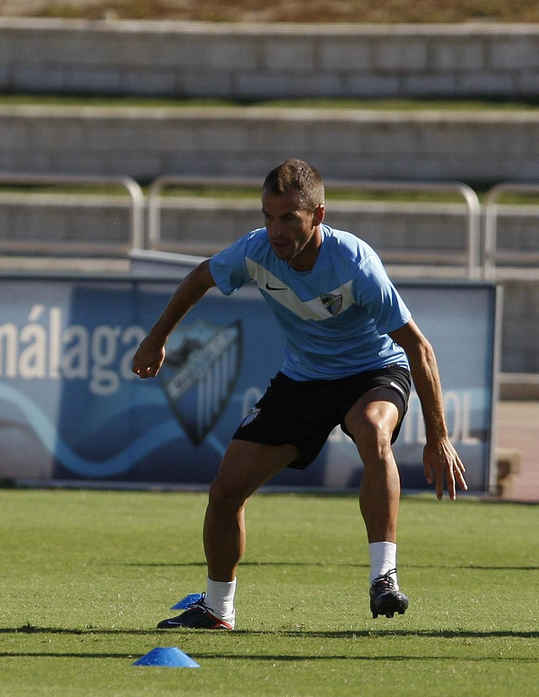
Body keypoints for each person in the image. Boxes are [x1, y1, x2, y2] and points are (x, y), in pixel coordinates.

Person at [133, 159, 466, 630]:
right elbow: (200, 278)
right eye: (269, 217)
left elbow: (418, 346)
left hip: (372, 370)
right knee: (225, 491)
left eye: (289, 218)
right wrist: (156, 338)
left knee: (373, 429)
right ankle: (217, 609)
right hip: (303, 379)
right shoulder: (256, 251)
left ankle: (383, 577)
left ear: (318, 217)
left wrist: (439, 436)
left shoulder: (355, 263)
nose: (276, 230)